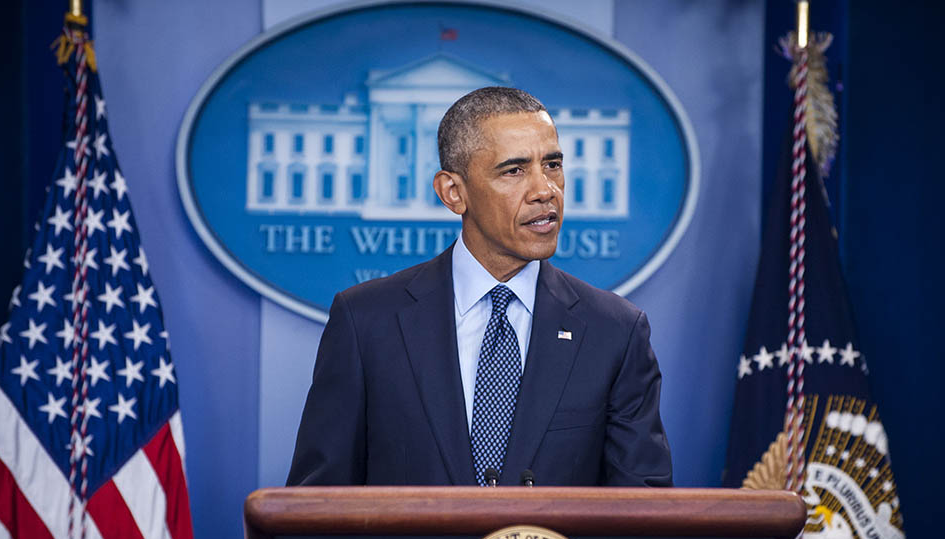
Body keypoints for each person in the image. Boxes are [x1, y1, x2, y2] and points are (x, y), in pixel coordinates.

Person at [287, 86, 671, 487]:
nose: (545, 190)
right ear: (453, 193)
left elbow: (643, 517)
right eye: (514, 170)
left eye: (553, 164)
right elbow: (317, 507)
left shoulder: (615, 331)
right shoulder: (366, 322)